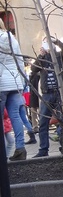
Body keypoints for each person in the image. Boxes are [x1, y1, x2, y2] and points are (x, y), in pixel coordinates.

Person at [0, 19, 29, 160]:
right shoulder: (12, 39)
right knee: (16, 116)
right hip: (15, 81)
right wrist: (21, 82)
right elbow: (20, 60)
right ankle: (20, 148)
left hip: (2, 83)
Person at [30, 38, 62, 158]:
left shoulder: (58, 56)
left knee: (62, 121)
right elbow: (34, 69)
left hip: (59, 92)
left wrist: (57, 42)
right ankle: (43, 149)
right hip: (46, 93)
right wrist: (40, 55)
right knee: (43, 122)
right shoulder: (42, 58)